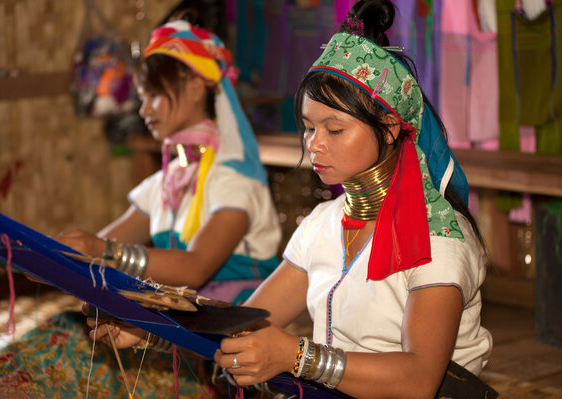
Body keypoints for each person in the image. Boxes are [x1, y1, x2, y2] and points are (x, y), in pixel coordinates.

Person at [90, 1, 495, 397]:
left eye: (333, 130)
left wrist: (295, 356)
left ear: (389, 127)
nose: (314, 144)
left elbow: (418, 380)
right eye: (307, 127)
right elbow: (245, 323)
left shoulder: (439, 238)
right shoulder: (324, 224)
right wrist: (150, 329)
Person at [0, 19, 281, 398]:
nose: (143, 109)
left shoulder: (235, 180)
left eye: (153, 94)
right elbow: (89, 246)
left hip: (223, 346)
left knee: (67, 350)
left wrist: (105, 252)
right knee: (62, 332)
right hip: (173, 326)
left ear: (194, 86)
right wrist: (11, 253)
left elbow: (196, 265)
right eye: (141, 97)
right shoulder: (165, 183)